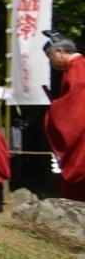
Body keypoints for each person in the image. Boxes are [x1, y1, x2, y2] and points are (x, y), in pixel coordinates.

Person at [44, 30, 85, 201]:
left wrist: (55, 108)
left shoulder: (79, 68)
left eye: (50, 57)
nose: (51, 62)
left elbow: (78, 96)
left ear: (60, 52)